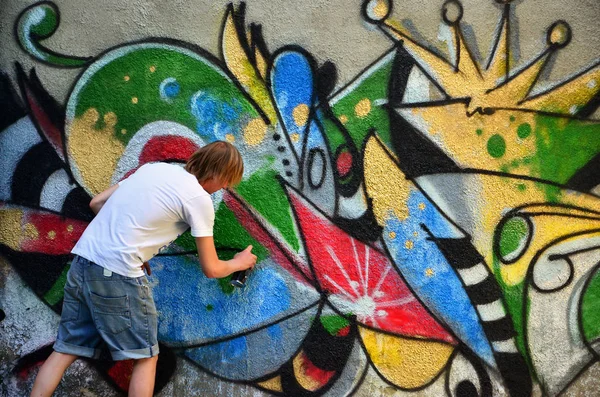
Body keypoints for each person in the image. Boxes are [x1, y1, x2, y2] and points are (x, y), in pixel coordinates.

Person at [30, 141, 257, 397]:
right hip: (119, 273)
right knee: (146, 357)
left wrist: (129, 243)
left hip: (84, 261)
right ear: (216, 173)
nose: (224, 187)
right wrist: (240, 263)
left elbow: (96, 203)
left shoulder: (154, 169)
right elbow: (212, 268)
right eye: (226, 180)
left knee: (66, 348)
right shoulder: (198, 199)